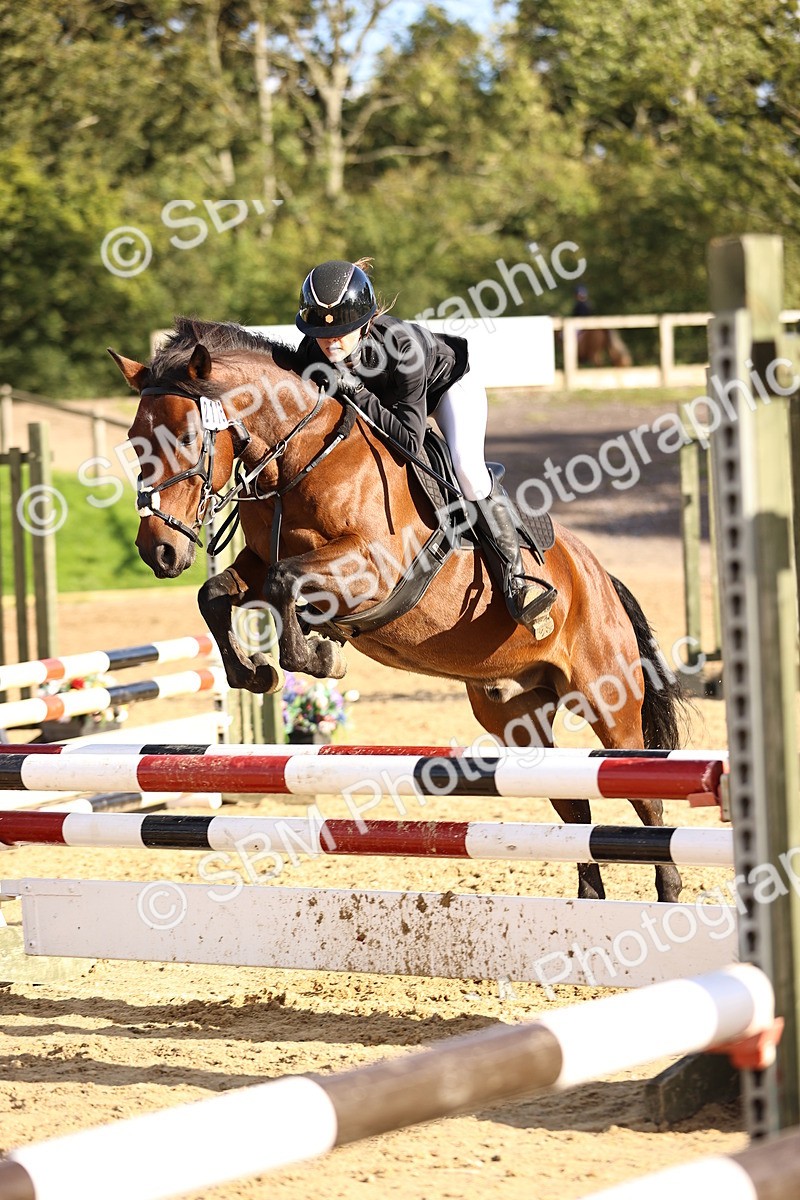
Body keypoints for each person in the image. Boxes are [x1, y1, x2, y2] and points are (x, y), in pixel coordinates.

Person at [293, 257, 557, 632]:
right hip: (390, 405)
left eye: (343, 330)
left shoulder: (401, 345)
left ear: (365, 323)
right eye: (320, 329)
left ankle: (517, 580)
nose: (331, 340)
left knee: (467, 471)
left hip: (445, 391)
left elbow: (408, 440)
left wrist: (358, 391)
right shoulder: (312, 352)